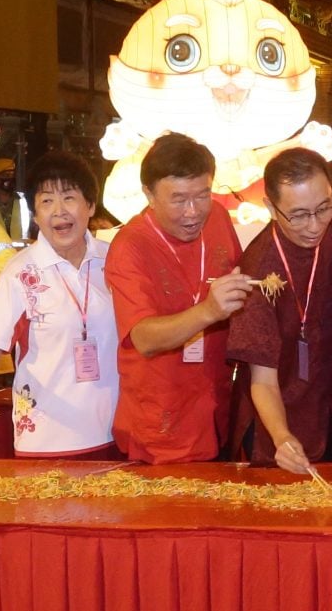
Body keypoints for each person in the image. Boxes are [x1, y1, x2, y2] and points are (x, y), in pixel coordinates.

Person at [0, 153, 118, 459]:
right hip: (47, 439)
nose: (58, 211)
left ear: (90, 205)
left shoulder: (115, 260)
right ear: (35, 215)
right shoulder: (20, 272)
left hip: (114, 430)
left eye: (69, 197)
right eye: (46, 201)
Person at [107, 132, 250, 463]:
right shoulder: (130, 246)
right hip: (161, 423)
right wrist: (210, 310)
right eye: (179, 199)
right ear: (149, 194)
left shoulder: (218, 217)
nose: (193, 212)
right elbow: (143, 338)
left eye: (202, 195)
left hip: (216, 407)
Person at [226, 147, 332, 473]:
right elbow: (262, 381)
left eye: (323, 207)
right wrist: (282, 437)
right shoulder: (258, 271)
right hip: (275, 416)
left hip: (326, 401)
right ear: (270, 207)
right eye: (297, 215)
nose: (313, 226)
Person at [0, 157, 33, 244]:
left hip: (22, 253)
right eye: (6, 175)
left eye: (12, 175)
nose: (11, 178)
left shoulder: (24, 200)